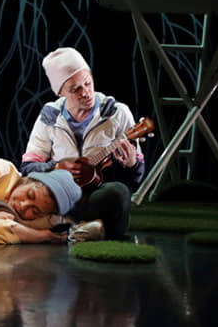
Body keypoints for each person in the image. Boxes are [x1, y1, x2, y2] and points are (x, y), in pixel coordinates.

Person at [20, 47, 145, 240]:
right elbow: (28, 168)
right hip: (61, 197)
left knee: (118, 192)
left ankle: (93, 233)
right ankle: (77, 230)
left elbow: (135, 180)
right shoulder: (49, 117)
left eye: (88, 83)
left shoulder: (116, 113)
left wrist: (131, 164)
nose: (85, 92)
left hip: (97, 196)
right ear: (60, 92)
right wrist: (57, 167)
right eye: (75, 89)